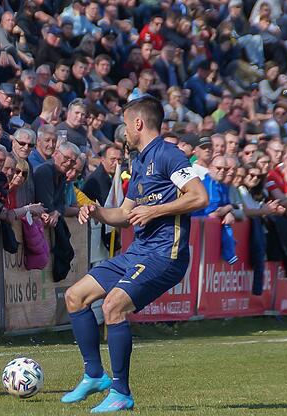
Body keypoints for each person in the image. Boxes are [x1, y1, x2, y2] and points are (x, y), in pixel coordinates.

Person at [63, 97, 208, 412]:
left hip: (164, 255)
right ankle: (93, 375)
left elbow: (199, 197)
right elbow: (125, 214)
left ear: (138, 123)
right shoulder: (139, 162)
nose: (124, 132)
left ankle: (121, 392)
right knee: (75, 296)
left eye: (126, 125)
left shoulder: (169, 155)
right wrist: (96, 210)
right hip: (137, 252)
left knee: (113, 305)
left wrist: (155, 210)